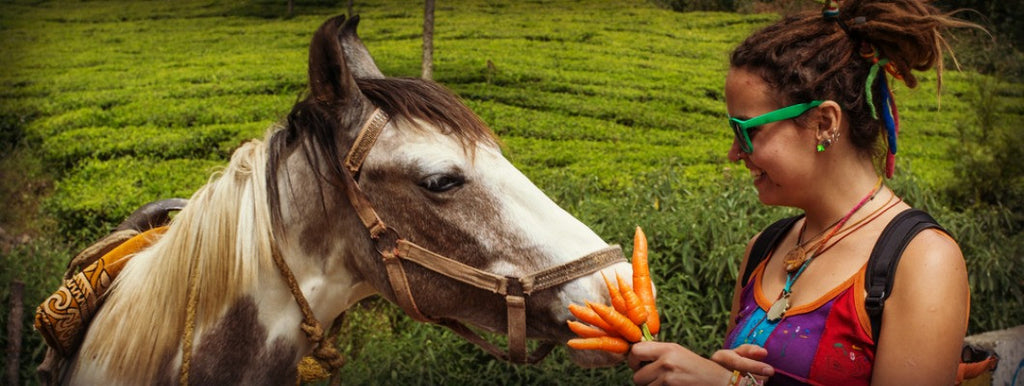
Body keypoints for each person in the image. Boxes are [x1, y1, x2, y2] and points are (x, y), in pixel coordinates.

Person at [628, 0, 977, 384]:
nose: (734, 154)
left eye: (747, 131)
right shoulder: (764, 248)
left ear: (823, 122)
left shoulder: (922, 261)